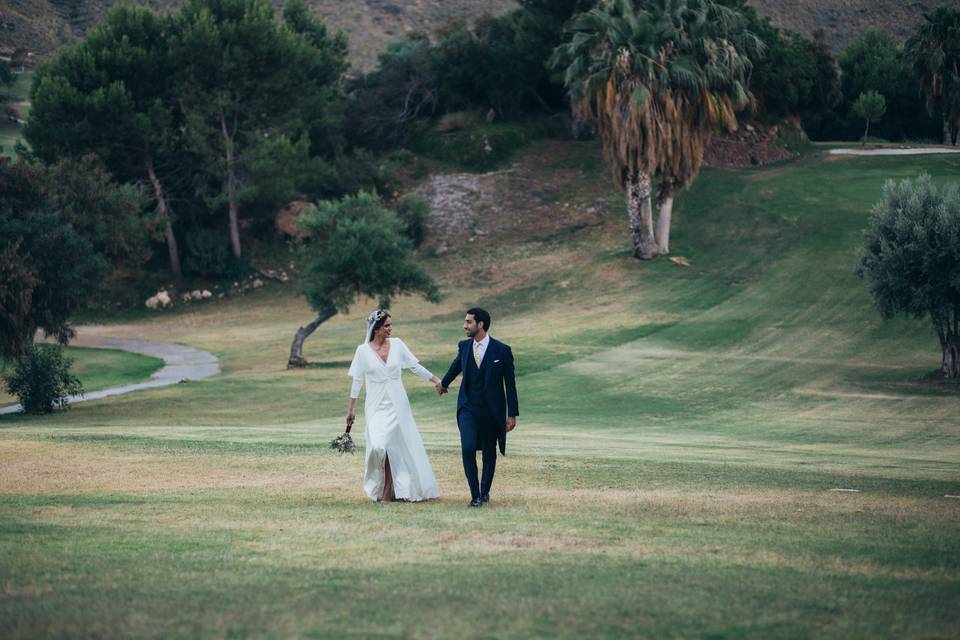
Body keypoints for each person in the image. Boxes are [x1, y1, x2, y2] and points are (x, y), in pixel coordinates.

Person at [346, 310, 440, 502]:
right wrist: (351, 410)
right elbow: (357, 381)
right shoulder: (362, 351)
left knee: (392, 446)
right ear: (376, 328)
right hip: (376, 405)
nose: (390, 329)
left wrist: (436, 380)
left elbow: (414, 367)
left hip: (398, 404)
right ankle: (382, 486)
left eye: (391, 325)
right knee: (378, 446)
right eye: (387, 325)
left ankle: (389, 491)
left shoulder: (397, 345)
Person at [438, 308, 519, 507]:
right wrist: (443, 383)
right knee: (467, 448)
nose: (465, 325)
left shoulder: (502, 350)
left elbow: (510, 384)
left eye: (468, 322)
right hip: (468, 407)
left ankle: (484, 493)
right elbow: (456, 366)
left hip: (492, 411)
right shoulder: (464, 346)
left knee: (489, 452)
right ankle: (474, 495)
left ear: (480, 324)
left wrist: (512, 414)